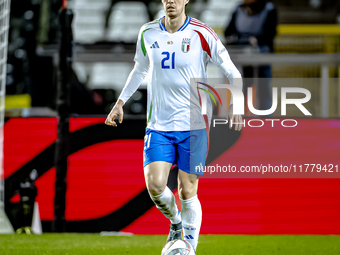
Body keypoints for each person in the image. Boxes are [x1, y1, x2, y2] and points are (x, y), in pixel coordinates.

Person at [105, 0, 242, 252]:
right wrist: (120, 102)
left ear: (186, 0)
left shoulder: (201, 33)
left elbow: (233, 72)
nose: (171, 1)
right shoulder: (148, 32)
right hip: (159, 124)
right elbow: (140, 68)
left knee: (187, 190)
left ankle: (189, 247)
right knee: (156, 186)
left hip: (194, 125)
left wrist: (237, 105)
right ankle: (176, 224)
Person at [224, 0, 277, 111]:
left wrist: (255, 40)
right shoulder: (239, 9)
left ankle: (265, 118)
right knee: (241, 88)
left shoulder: (269, 8)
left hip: (261, 57)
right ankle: (237, 118)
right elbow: (228, 31)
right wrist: (240, 40)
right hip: (241, 56)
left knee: (263, 89)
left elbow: (270, 33)